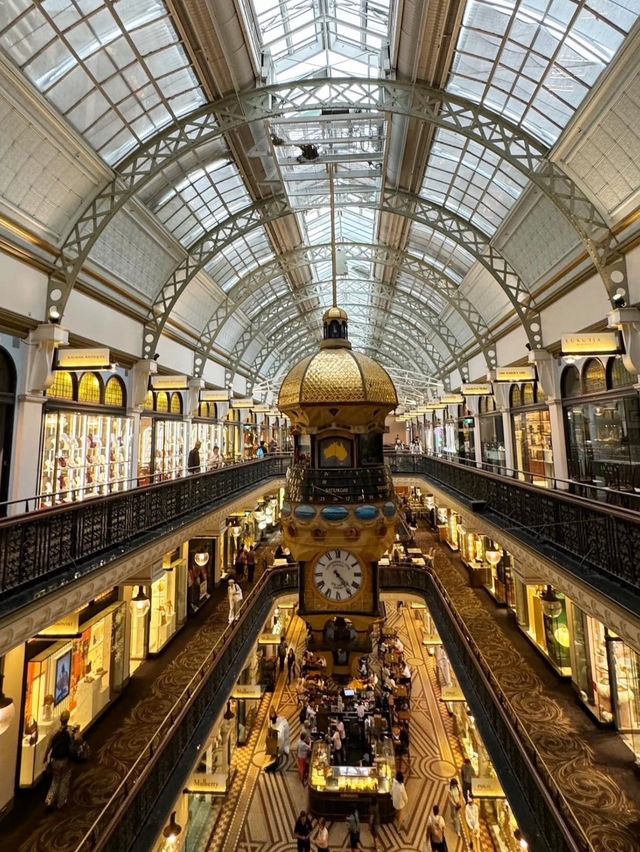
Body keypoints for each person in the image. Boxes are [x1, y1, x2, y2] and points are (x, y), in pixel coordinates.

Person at [44, 710, 73, 809]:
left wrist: (45, 756)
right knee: (64, 780)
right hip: (65, 759)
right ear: (68, 719)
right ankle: (61, 802)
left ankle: (49, 800)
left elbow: (49, 746)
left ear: (60, 719)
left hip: (55, 759)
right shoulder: (69, 731)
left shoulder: (54, 732)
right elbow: (75, 741)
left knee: (55, 780)